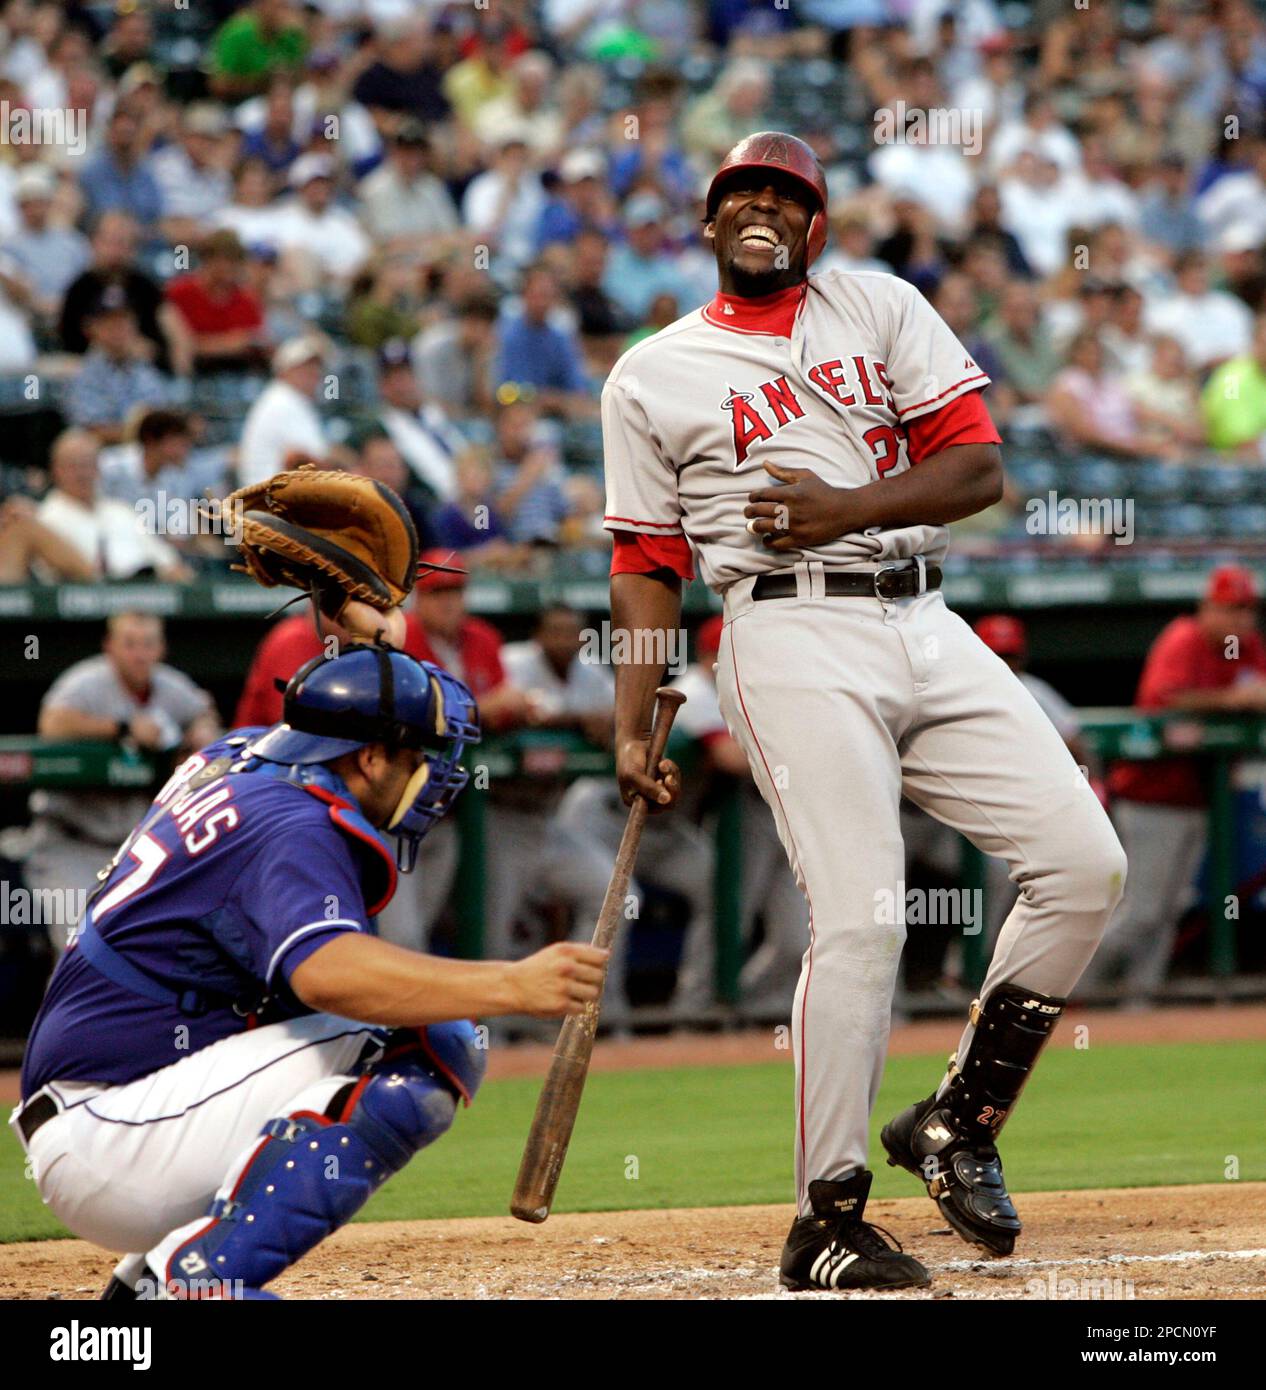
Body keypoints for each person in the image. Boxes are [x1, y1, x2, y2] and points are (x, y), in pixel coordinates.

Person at [602, 132, 1125, 1292]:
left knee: (1086, 863)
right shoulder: (651, 372)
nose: (760, 208)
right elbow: (645, 559)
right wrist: (634, 712)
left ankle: (959, 1121)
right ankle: (825, 1215)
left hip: (926, 616)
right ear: (707, 222)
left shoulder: (880, 307)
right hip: (785, 629)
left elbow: (977, 471)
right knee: (865, 916)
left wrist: (846, 507)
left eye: (783, 197)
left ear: (815, 226)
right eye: (739, 192)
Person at [10, 643, 606, 1301]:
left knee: (394, 1022)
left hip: (127, 1108)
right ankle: (188, 1285)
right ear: (371, 757)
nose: (434, 778)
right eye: (417, 758)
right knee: (431, 1035)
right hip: (115, 1135)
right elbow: (328, 973)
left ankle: (143, 1292)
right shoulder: (293, 825)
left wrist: (366, 636)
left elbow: (322, 713)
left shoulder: (239, 755)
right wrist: (511, 984)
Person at [1085, 567, 1266, 1006]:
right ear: (1207, 607)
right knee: (1141, 913)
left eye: (1247, 610)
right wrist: (1231, 701)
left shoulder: (1247, 647)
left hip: (1200, 800)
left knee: (1168, 913)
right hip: (1152, 798)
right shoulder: (1183, 637)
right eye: (1231, 609)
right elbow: (1165, 697)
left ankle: (1138, 1003)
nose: (1241, 620)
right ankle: (1060, 995)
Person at [23, 611, 219, 952]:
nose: (139, 654)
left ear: (161, 649)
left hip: (136, 850)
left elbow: (203, 713)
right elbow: (52, 723)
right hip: (73, 841)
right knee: (79, 949)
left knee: (151, 950)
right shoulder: (84, 683)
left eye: (148, 644)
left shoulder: (170, 685)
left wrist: (201, 731)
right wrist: (122, 728)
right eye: (129, 645)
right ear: (109, 647)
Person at [36, 429, 191, 582]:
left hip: (150, 591)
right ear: (55, 470)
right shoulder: (45, 520)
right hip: (95, 598)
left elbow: (168, 562)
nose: (81, 474)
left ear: (98, 469)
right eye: (72, 466)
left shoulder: (122, 511)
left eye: (87, 464)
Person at [66, 286, 177, 445]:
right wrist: (148, 433)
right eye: (109, 322)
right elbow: (94, 431)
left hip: (148, 451)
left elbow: (161, 411)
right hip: (106, 456)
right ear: (92, 328)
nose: (118, 328)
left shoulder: (144, 367)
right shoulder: (83, 373)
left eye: (124, 320)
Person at [163, 229, 269, 376]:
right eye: (223, 260)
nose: (228, 268)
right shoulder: (179, 293)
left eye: (234, 262)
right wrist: (228, 343)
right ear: (207, 260)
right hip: (192, 370)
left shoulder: (246, 299)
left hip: (235, 373)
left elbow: (255, 342)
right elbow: (178, 344)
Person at [236, 336, 330, 488]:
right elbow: (310, 461)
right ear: (283, 372)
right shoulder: (283, 401)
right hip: (268, 501)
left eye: (315, 366)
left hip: (273, 496)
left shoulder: (288, 399)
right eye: (304, 367)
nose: (313, 373)